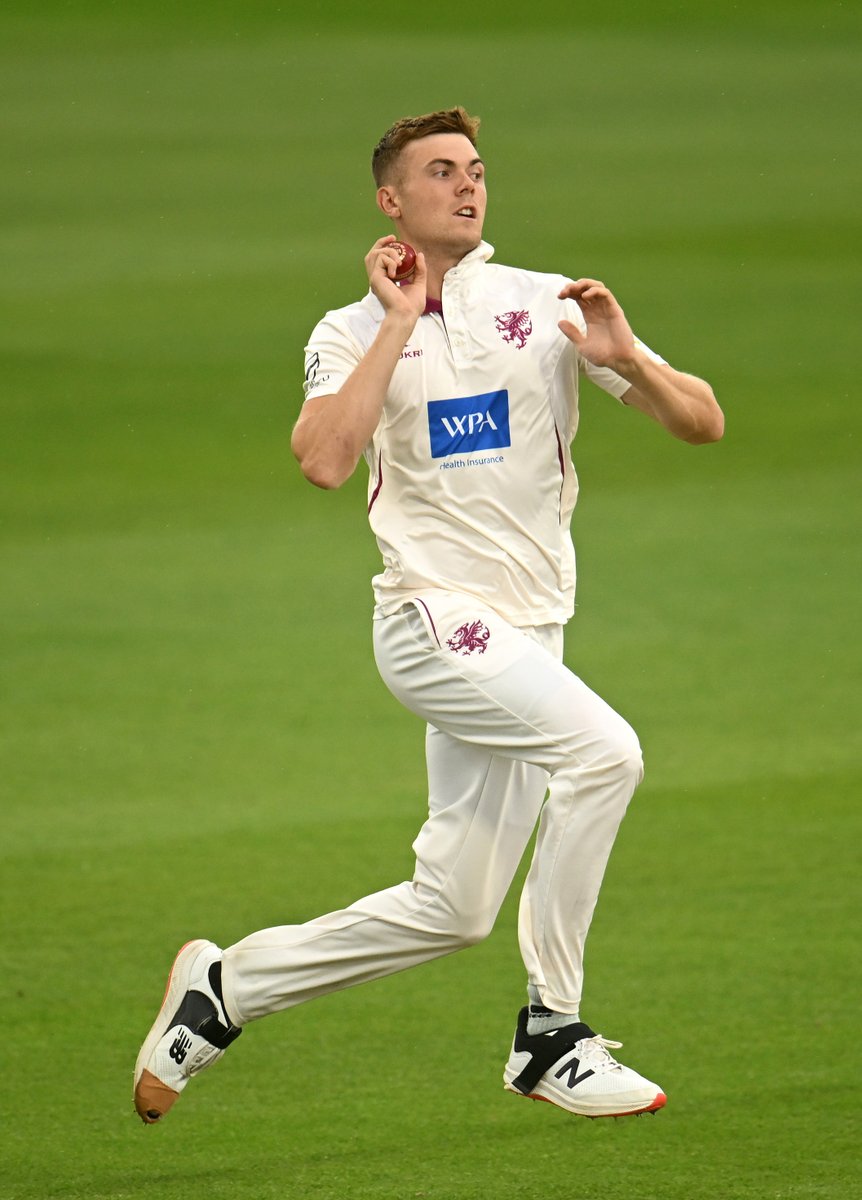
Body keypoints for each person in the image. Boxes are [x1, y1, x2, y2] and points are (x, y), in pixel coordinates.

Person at [133, 106, 723, 1126]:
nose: (466, 185)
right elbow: (323, 461)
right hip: (430, 621)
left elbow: (701, 422)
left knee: (452, 910)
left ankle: (227, 988)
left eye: (475, 170)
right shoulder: (348, 331)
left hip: (527, 633)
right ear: (389, 202)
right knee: (607, 754)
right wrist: (399, 321)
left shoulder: (546, 304)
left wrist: (628, 359)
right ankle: (552, 1034)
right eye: (440, 171)